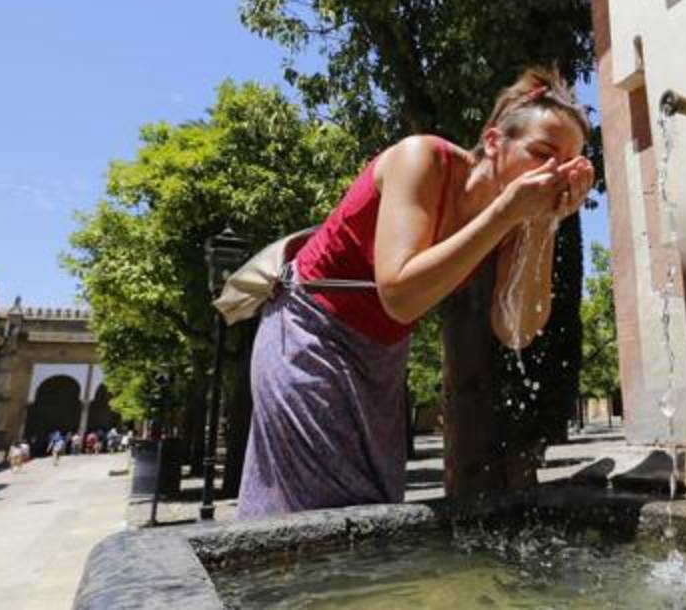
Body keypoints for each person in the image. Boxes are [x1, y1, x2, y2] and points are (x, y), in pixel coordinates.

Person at [236, 68, 594, 519]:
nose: (553, 174)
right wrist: (505, 214)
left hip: (382, 354)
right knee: (317, 505)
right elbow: (400, 295)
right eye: (543, 153)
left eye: (567, 165)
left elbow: (517, 330)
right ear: (493, 143)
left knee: (375, 500)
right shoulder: (421, 158)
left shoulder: (516, 218)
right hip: (310, 330)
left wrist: (544, 222)